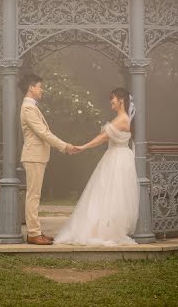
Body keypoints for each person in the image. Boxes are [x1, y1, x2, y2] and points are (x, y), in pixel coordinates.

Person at [53, 87, 139, 246]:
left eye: (112, 98)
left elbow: (102, 138)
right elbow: (103, 137)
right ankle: (103, 228)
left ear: (121, 100)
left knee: (113, 195)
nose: (110, 101)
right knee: (106, 194)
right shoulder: (120, 118)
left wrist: (83, 147)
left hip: (118, 160)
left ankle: (106, 231)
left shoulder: (122, 120)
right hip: (114, 157)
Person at [19, 73, 77, 245]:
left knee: (35, 196)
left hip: (37, 156)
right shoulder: (28, 108)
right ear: (31, 87)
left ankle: (35, 231)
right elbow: (43, 133)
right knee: (33, 196)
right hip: (33, 156)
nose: (41, 89)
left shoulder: (32, 107)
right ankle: (33, 234)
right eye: (39, 86)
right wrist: (64, 146)